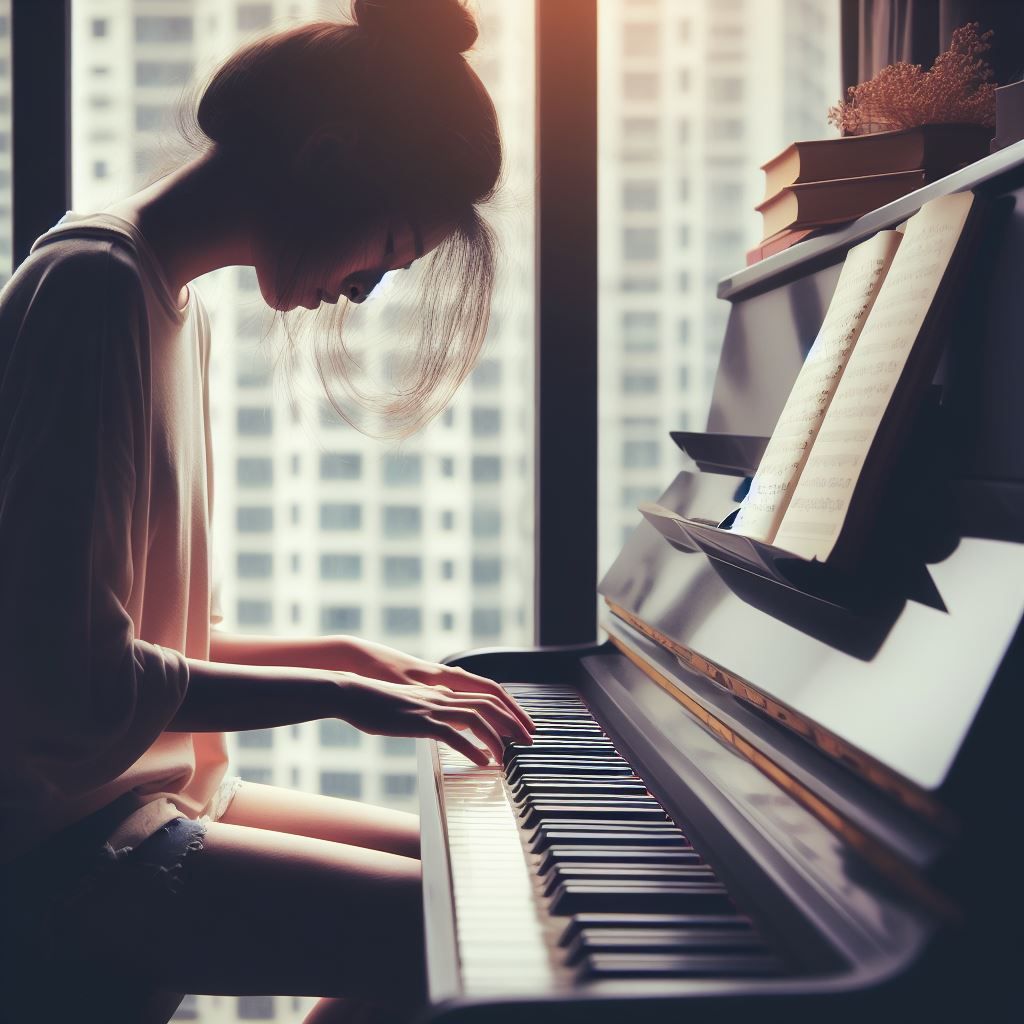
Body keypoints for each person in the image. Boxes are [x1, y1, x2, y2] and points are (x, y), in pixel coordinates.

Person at [0, 2, 535, 1021]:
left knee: (496, 877)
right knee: (474, 944)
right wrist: (335, 694)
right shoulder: (94, 288)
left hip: (147, 792)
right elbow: (62, 674)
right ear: (329, 162)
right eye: (389, 248)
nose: (367, 289)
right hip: (57, 838)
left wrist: (349, 654)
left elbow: (146, 637)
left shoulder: (166, 298)